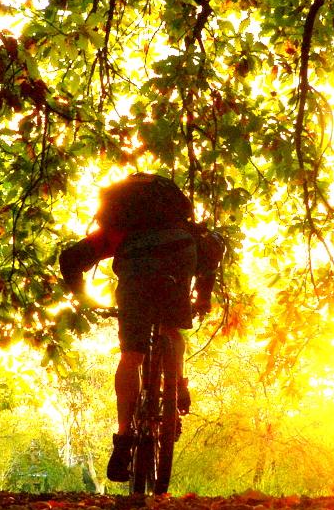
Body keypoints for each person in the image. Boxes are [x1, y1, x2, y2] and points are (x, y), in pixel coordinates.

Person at [59, 173, 224, 483]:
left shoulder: (118, 231)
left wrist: (84, 298)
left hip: (135, 274)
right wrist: (202, 297)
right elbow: (212, 251)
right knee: (171, 330)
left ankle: (123, 440)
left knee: (131, 357)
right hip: (180, 257)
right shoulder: (183, 228)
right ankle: (176, 392)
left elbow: (70, 258)